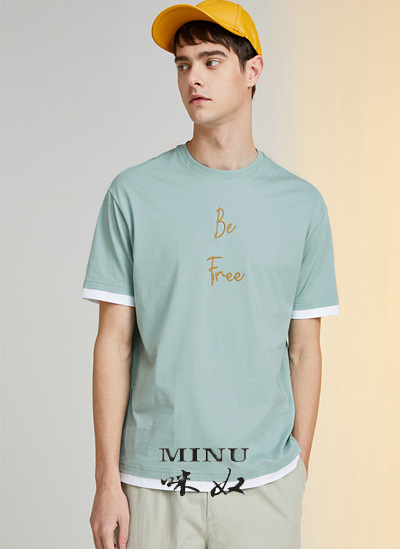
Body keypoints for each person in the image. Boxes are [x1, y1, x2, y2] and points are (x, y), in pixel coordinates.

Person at [82, 1, 340, 547]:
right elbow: (114, 343)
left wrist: (297, 471)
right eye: (183, 64)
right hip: (152, 484)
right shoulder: (133, 194)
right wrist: (107, 481)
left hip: (265, 485)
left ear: (253, 71)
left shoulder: (302, 204)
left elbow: (304, 350)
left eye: (211, 60)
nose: (192, 77)